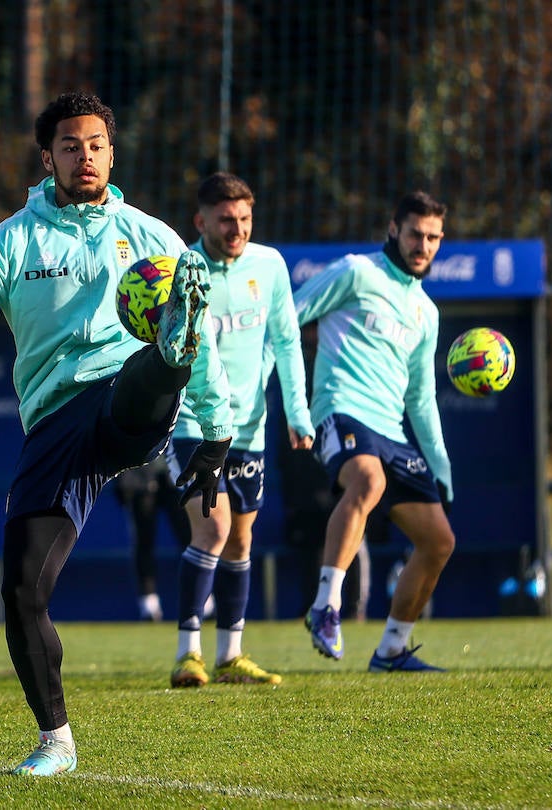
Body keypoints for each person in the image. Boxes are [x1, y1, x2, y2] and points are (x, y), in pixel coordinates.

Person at [0, 91, 235, 777]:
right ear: (47, 157)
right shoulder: (19, 238)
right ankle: (55, 740)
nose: (83, 156)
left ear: (111, 154)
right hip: (54, 425)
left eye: (94, 144)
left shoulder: (153, 238)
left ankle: (161, 355)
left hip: (124, 401)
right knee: (23, 593)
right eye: (69, 145)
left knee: (154, 363)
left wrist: (216, 433)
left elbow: (205, 338)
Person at [294, 190, 455, 672]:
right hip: (340, 410)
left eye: (433, 237)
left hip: (391, 429)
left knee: (439, 542)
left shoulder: (427, 312)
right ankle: (325, 606)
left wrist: (441, 464)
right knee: (369, 482)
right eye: (414, 234)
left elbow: (421, 399)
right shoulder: (355, 272)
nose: (422, 245)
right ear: (393, 230)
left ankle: (391, 649)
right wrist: (295, 409)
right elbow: (289, 319)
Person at [165, 172, 314, 689]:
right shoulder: (182, 268)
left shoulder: (269, 266)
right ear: (200, 220)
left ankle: (231, 655)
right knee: (213, 528)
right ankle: (188, 654)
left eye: (245, 219)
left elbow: (288, 341)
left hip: (250, 428)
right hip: (192, 426)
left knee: (241, 539)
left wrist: (298, 413)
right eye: (226, 219)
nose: (237, 229)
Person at [110, 455, 190, 621]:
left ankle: (203, 602)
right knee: (143, 540)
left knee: (190, 540)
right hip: (140, 476)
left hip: (175, 475)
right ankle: (149, 605)